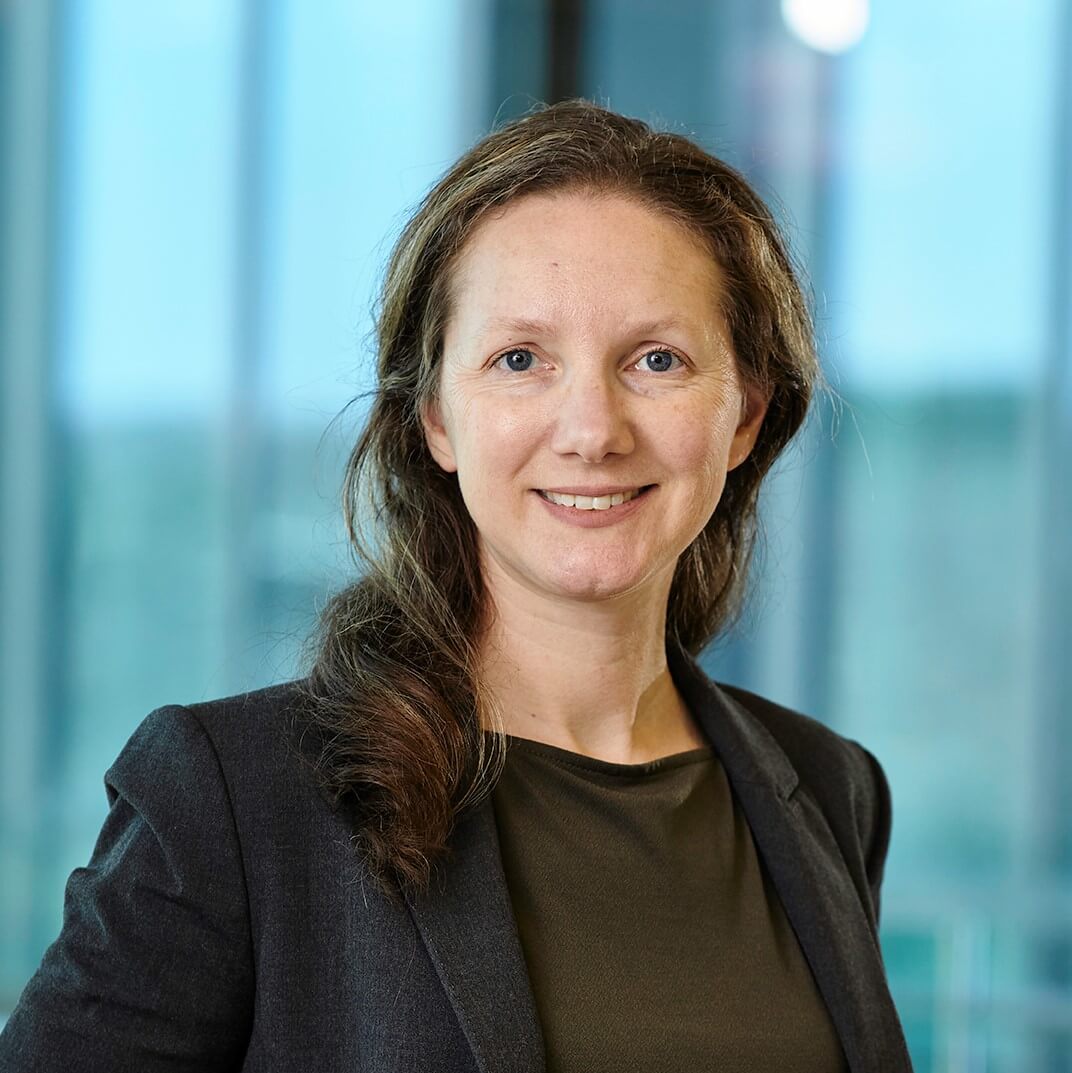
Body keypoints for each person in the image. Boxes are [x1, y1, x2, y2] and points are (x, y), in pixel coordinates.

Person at [0, 100, 913, 1072]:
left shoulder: (830, 788)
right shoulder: (232, 796)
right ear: (436, 417)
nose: (592, 431)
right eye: (520, 359)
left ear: (746, 415)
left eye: (657, 359)